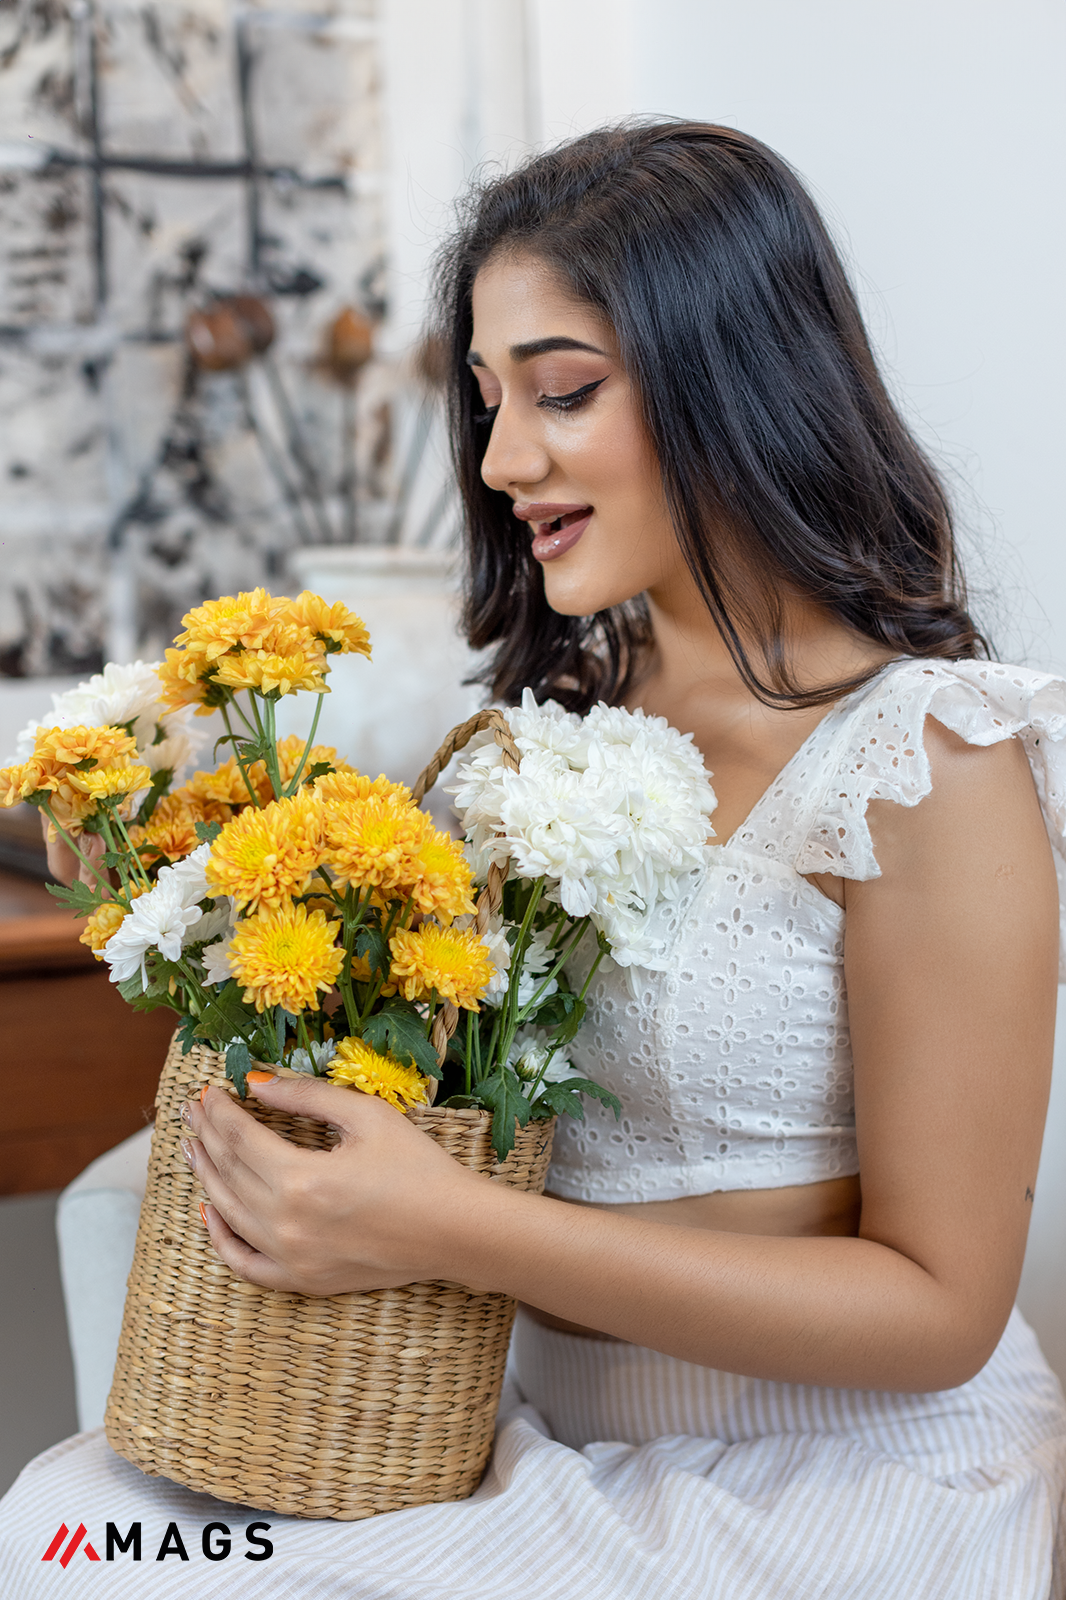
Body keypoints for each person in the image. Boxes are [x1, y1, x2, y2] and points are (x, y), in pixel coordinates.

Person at [3, 121, 1065, 1599]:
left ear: (732, 378)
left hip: (837, 1464)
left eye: (563, 391)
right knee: (64, 1531)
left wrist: (463, 1229)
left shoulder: (924, 759)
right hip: (524, 1435)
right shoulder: (537, 739)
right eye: (488, 400)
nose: (503, 460)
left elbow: (940, 1309)